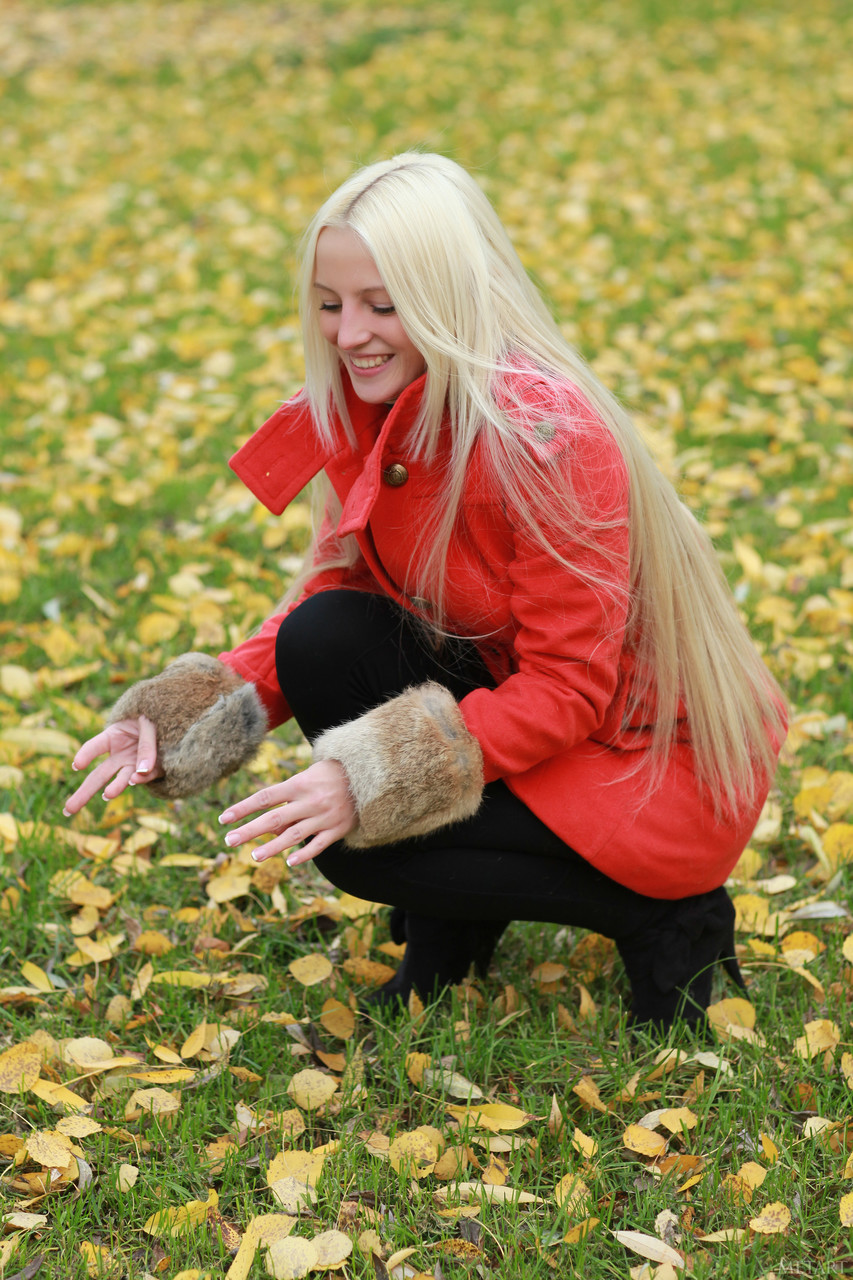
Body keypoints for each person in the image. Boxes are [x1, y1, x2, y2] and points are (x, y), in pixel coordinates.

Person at [64, 152, 786, 1033]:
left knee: (363, 854)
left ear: (449, 299)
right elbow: (344, 590)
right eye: (330, 305)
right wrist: (194, 712)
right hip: (517, 701)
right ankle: (453, 933)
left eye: (382, 304)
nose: (347, 334)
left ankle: (670, 919)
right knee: (326, 636)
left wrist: (372, 776)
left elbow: (570, 689)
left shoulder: (547, 441)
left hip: (642, 762)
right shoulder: (385, 404)